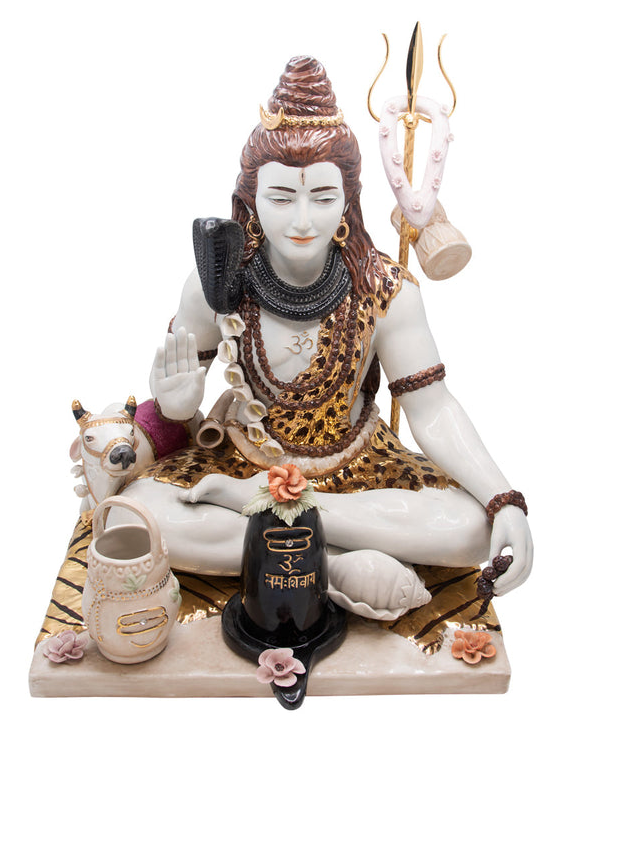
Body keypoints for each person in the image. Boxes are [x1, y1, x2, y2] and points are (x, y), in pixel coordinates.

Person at [117, 56, 532, 617]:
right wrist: (176, 403)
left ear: (348, 201)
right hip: (245, 458)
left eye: (322, 197)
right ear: (251, 201)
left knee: (469, 527)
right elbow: (175, 407)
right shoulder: (216, 284)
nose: (302, 220)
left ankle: (279, 531)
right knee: (137, 513)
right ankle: (335, 563)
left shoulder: (386, 290)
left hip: (355, 468)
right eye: (281, 197)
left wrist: (502, 498)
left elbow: (432, 409)